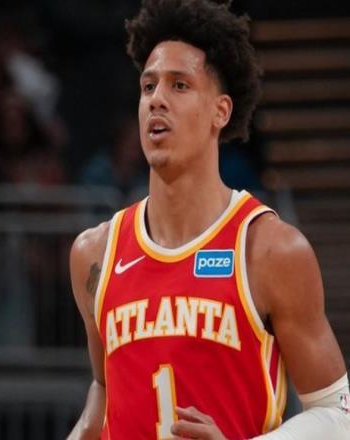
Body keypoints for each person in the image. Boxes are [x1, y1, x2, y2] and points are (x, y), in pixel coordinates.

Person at [67, 1, 350, 439]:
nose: (157, 99)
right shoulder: (94, 253)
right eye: (148, 86)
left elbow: (338, 413)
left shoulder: (270, 249)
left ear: (221, 111)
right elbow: (104, 387)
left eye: (179, 85)